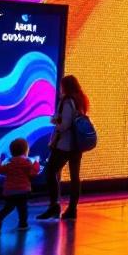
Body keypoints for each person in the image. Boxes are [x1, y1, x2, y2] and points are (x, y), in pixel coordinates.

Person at [38, 75, 90, 221]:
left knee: (50, 172)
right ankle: (72, 209)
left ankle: (54, 205)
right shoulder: (81, 100)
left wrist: (56, 122)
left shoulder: (67, 101)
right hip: (77, 145)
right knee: (75, 177)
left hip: (64, 145)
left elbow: (65, 124)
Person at [0, 137, 41, 232]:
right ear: (26, 151)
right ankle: (23, 224)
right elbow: (34, 172)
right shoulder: (27, 163)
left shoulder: (10, 163)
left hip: (9, 191)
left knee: (9, 206)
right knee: (23, 208)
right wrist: (36, 162)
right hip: (23, 190)